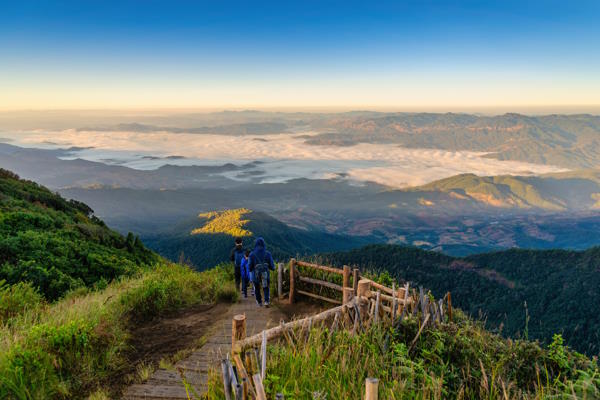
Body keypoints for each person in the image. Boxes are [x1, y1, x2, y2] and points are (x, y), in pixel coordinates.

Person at [248, 237, 275, 306]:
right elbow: (272, 265)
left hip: (255, 274)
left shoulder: (252, 254)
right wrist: (272, 268)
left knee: (256, 287)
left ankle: (259, 302)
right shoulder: (267, 253)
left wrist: (251, 270)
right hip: (265, 273)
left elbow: (250, 266)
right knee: (265, 287)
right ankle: (266, 301)